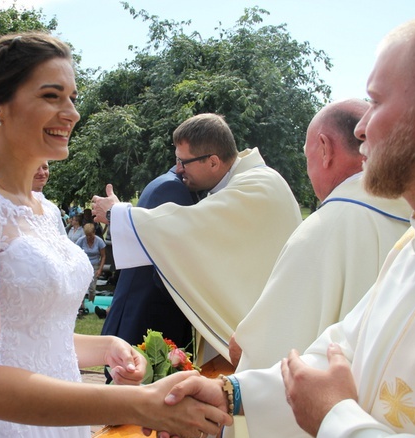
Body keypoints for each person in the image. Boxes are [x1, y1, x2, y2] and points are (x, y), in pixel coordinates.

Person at [161, 7, 415, 438]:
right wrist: (231, 393)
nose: (364, 127)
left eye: (375, 101)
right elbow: (333, 358)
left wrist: (336, 420)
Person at [0, 32, 229, 438]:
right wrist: (138, 403)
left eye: (72, 98)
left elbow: (28, 332)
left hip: (58, 431)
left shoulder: (42, 209)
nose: (71, 113)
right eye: (50, 96)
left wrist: (103, 347)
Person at [92, 113, 302, 360]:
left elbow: (187, 227)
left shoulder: (256, 185)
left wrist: (116, 214)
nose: (178, 170)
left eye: (184, 162)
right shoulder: (251, 182)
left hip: (264, 333)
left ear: (213, 162)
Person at [230, 99, 412, 371]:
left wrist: (243, 346)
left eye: (307, 155)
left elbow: (265, 356)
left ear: (325, 149)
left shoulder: (324, 229)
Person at [100, 165, 196, 356]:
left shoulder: (166, 183)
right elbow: (166, 258)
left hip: (139, 315)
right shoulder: (172, 189)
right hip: (148, 319)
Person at [75, 222, 106, 305]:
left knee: (92, 287)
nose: (89, 237)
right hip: (83, 265)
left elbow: (103, 256)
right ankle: (81, 305)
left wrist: (100, 269)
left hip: (94, 265)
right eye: (87, 235)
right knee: (82, 286)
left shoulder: (99, 241)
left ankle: (91, 303)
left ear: (94, 233)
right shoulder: (81, 241)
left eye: (90, 235)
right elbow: (75, 253)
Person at [32, 161, 66, 235]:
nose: (41, 173)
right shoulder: (14, 207)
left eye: (45, 168)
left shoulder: (53, 209)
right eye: (36, 167)